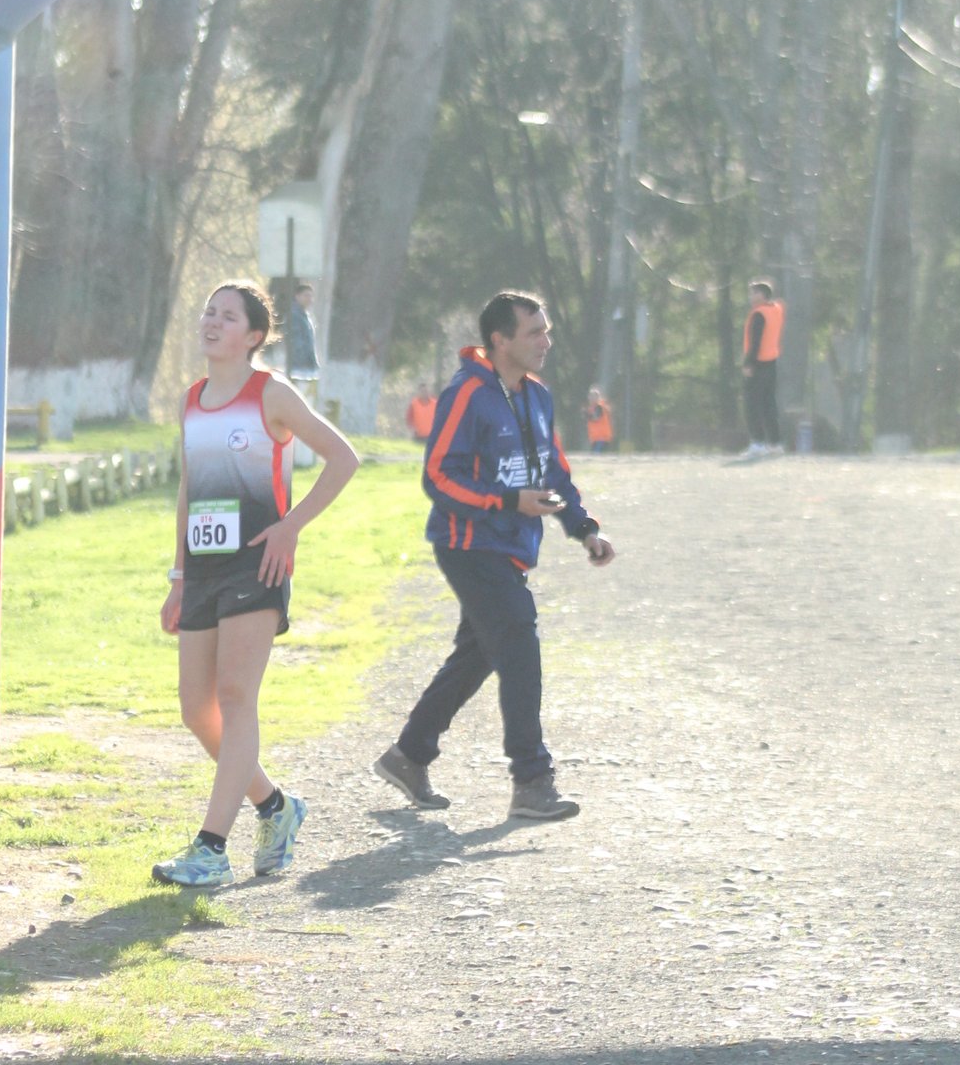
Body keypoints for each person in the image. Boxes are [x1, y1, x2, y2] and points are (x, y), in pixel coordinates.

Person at [374, 290, 616, 823]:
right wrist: (505, 500)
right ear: (500, 340)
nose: (546, 341)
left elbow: (553, 473)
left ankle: (408, 755)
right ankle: (531, 780)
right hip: (467, 545)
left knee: (479, 653)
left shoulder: (538, 396)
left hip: (510, 548)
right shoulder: (466, 395)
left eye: (546, 330)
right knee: (518, 639)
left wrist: (583, 528)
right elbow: (438, 476)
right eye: (535, 332)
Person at [152, 280, 359, 890]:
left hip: (257, 565)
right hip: (204, 569)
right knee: (197, 709)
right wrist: (178, 575)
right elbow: (190, 490)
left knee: (236, 694)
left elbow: (342, 457)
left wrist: (291, 527)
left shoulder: (271, 394)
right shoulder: (192, 400)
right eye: (207, 313)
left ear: (253, 335)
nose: (212, 323)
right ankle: (276, 807)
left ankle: (211, 848)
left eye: (227, 316)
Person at [742, 278, 785, 454]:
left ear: (761, 295)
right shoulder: (775, 310)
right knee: (769, 404)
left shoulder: (759, 314)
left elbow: (755, 342)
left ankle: (757, 442)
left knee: (752, 404)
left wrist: (748, 363)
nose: (750, 297)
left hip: (758, 364)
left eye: (753, 293)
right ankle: (775, 443)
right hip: (772, 363)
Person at [285, 281, 319, 381]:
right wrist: (304, 366)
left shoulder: (304, 316)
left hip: (306, 367)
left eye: (311, 296)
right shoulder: (294, 315)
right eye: (306, 296)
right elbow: (296, 344)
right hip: (299, 369)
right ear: (297, 296)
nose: (310, 299)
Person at [584, 384, 614, 452]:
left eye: (594, 396)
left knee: (596, 457)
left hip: (602, 438)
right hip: (595, 439)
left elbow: (595, 418)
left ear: (598, 397)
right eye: (590, 396)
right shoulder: (591, 408)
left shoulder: (599, 407)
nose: (591, 398)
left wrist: (587, 415)